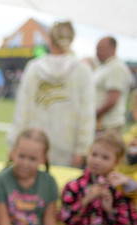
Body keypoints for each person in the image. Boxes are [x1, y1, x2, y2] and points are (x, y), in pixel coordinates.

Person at [8, 21, 95, 168]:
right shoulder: (83, 70)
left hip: (33, 147)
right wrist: (82, 149)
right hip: (68, 147)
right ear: (71, 39)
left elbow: (22, 110)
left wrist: (15, 142)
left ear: (49, 39)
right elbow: (87, 114)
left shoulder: (34, 68)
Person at [94, 36, 134, 134]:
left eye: (100, 48)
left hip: (109, 125)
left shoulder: (116, 68)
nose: (97, 52)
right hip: (101, 124)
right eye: (97, 48)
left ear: (112, 48)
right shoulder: (104, 66)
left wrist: (93, 113)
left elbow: (112, 100)